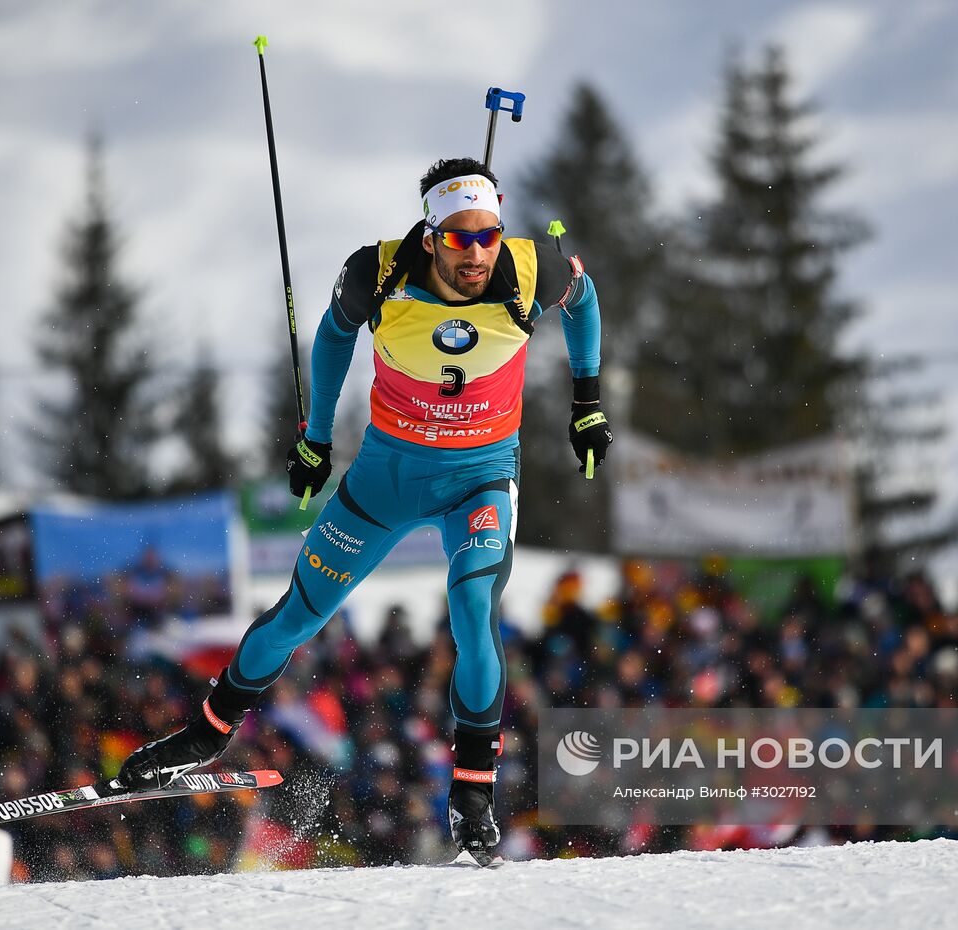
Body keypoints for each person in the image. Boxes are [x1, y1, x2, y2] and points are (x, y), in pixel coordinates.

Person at [112, 157, 612, 864]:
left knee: (472, 608)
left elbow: (586, 302)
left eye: (489, 235)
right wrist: (315, 439)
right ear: (431, 234)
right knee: (297, 615)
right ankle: (206, 732)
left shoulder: (535, 269)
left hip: (481, 477)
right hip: (387, 477)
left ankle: (472, 792)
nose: (477, 252)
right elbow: (332, 337)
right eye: (460, 238)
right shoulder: (376, 273)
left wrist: (588, 406)